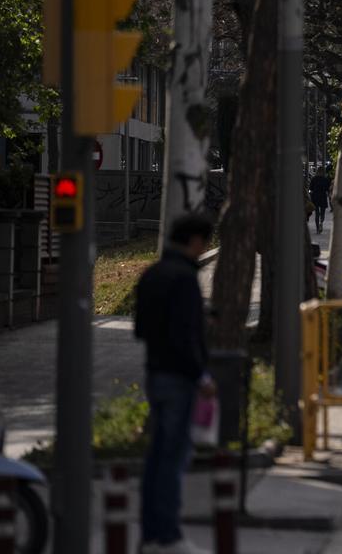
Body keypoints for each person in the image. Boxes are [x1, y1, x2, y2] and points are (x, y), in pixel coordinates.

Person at [134, 214, 215, 554]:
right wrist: (201, 376)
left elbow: (140, 329)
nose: (205, 249)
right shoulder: (184, 279)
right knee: (173, 458)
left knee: (156, 457)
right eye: (205, 242)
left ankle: (151, 531)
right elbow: (185, 336)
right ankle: (166, 536)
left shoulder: (151, 274)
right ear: (195, 241)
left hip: (155, 372)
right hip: (180, 378)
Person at [309, 167, 331, 233]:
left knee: (317, 214)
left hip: (315, 197)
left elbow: (311, 188)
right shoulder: (325, 179)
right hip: (323, 197)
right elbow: (327, 189)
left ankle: (317, 228)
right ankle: (321, 222)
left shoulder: (314, 179)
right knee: (322, 213)